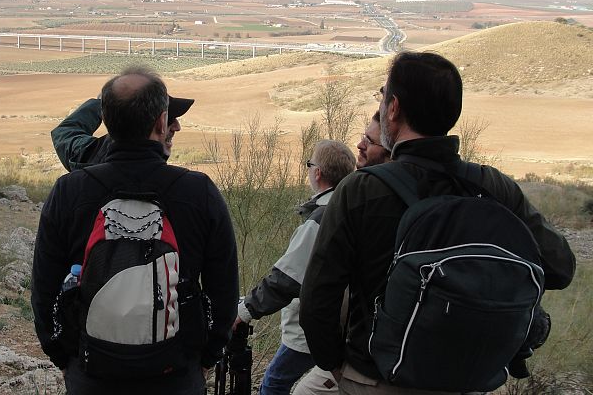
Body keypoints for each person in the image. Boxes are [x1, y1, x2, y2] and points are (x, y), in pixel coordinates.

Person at [299, 51, 576, 395]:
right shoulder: (493, 186)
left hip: (376, 379)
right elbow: (560, 267)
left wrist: (340, 366)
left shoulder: (362, 189)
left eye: (383, 96)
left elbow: (317, 301)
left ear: (394, 108)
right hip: (471, 380)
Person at [32, 66, 238, 395]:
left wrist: (65, 357)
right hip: (175, 373)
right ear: (160, 122)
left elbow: (44, 291)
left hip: (91, 372)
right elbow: (223, 293)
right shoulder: (199, 192)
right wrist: (206, 356)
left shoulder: (69, 191)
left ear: (108, 121)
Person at [234, 140, 355, 395]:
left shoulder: (321, 219)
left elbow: (286, 278)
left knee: (273, 383)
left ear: (318, 172)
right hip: (339, 325)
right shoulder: (348, 208)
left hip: (311, 329)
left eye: (309, 164)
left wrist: (245, 311)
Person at [292, 122, 389, 395]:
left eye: (368, 141)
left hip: (365, 359)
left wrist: (334, 364)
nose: (359, 145)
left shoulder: (351, 200)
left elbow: (313, 296)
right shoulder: (467, 187)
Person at [51, 93, 194, 171]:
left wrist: (101, 104)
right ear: (160, 123)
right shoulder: (192, 191)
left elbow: (65, 132)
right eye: (170, 118)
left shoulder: (89, 155)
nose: (177, 127)